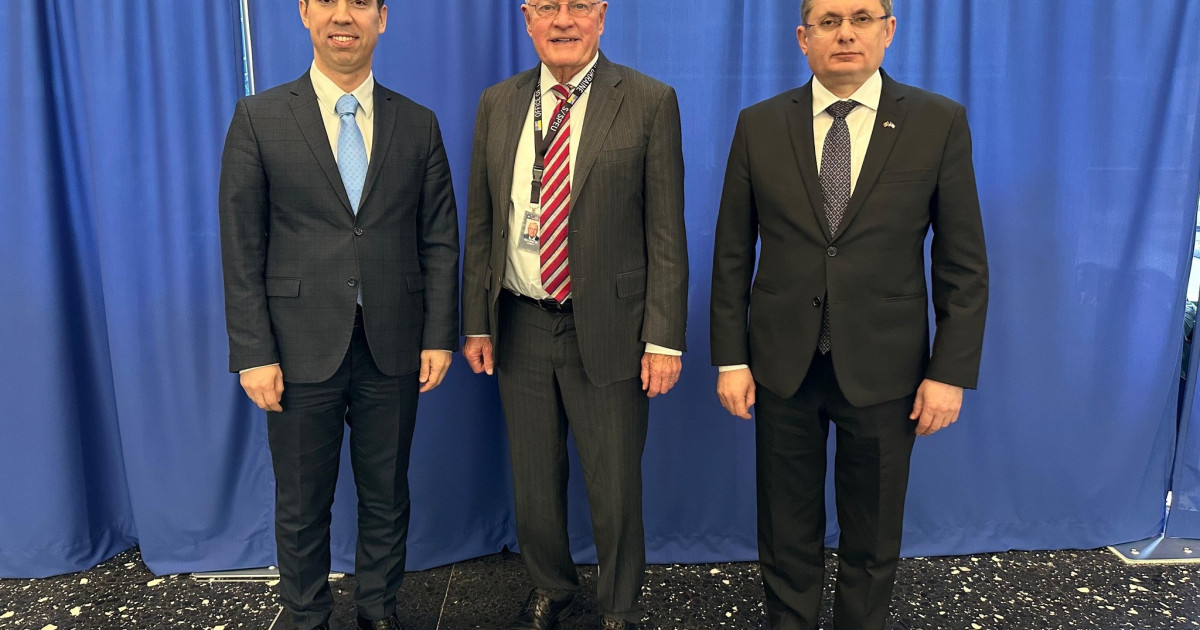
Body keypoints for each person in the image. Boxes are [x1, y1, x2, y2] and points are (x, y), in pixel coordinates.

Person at [709, 1, 989, 628]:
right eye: (829, 20)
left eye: (862, 18)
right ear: (802, 37)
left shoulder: (937, 122)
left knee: (873, 535)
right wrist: (731, 358)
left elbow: (962, 262)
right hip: (781, 366)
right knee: (785, 530)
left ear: (889, 31)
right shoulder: (759, 125)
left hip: (887, 370)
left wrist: (949, 372)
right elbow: (731, 253)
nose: (845, 34)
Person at [218, 0, 459, 627]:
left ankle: (379, 610)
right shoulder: (259, 118)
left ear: (383, 17)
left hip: (394, 343)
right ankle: (306, 616)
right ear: (304, 13)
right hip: (296, 349)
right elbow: (241, 248)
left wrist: (439, 335)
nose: (343, 16)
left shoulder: (419, 123)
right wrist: (253, 352)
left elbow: (439, 240)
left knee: (387, 495)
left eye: (360, 2)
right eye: (327, 0)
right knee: (301, 504)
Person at [460, 1, 688, 628]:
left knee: (614, 485)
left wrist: (663, 338)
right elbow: (482, 220)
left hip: (613, 327)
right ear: (527, 19)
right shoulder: (498, 103)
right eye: (547, 6)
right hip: (520, 322)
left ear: (601, 16)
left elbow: (666, 232)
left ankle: (618, 605)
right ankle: (551, 586)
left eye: (579, 5)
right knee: (534, 481)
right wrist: (476, 320)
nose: (563, 20)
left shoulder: (648, 100)